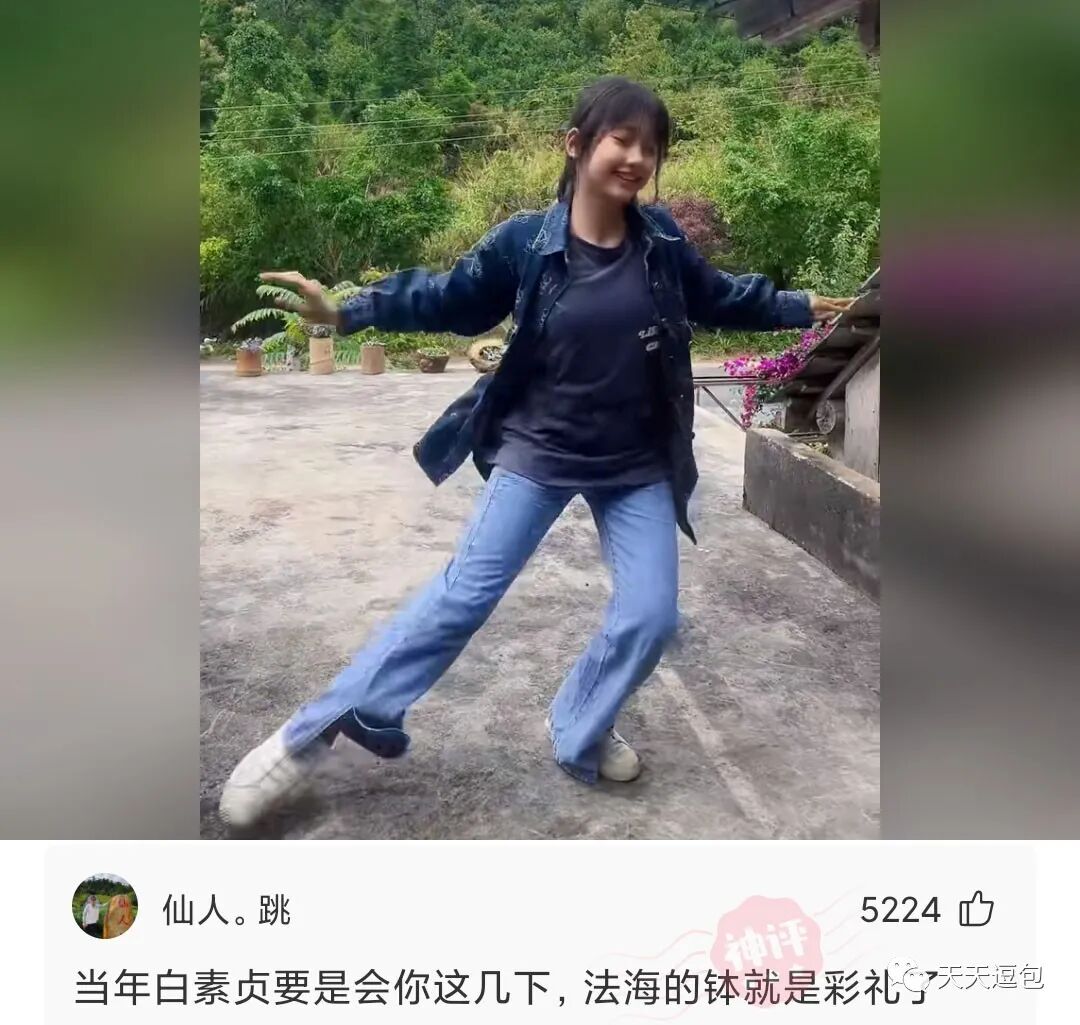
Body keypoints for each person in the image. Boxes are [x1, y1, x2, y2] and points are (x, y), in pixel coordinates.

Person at [219, 76, 851, 829]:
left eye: (651, 147)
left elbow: (721, 295)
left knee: (651, 615)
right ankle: (301, 740)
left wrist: (798, 304)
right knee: (461, 597)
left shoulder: (662, 244)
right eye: (622, 139)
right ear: (577, 144)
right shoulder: (526, 241)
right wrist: (346, 311)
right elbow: (444, 296)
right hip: (539, 447)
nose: (637, 158)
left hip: (635, 461)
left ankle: (579, 723)